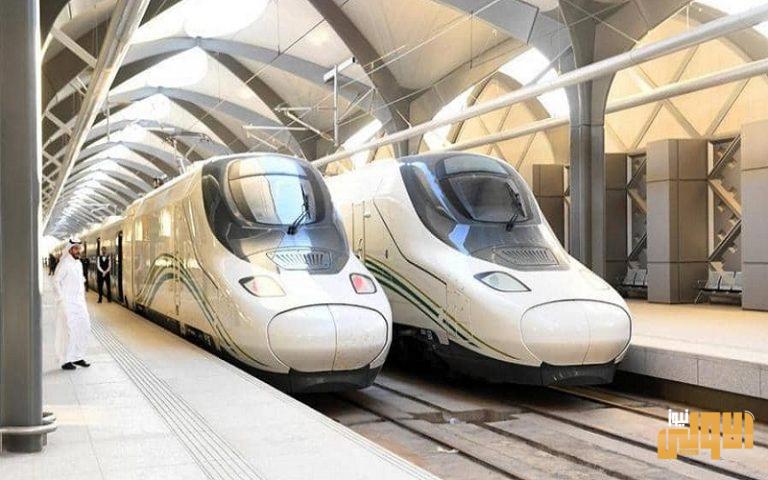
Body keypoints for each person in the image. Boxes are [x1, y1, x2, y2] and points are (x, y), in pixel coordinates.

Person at [52, 237, 91, 370]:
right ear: (69, 250)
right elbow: (55, 281)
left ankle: (77, 356)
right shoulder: (64, 264)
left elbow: (79, 280)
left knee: (84, 327)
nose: (78, 251)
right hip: (67, 303)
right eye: (75, 249)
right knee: (68, 331)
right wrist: (61, 299)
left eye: (79, 249)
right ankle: (65, 360)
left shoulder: (78, 263)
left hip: (79, 302)